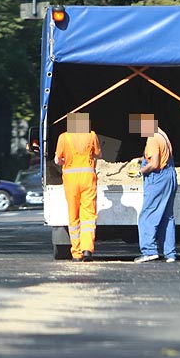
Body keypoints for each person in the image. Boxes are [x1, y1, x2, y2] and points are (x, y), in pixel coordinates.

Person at [130, 113, 177, 263]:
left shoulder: (152, 138)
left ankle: (149, 251)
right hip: (170, 176)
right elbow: (160, 156)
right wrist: (140, 159)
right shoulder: (162, 135)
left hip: (158, 179)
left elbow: (155, 163)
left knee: (147, 215)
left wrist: (140, 171)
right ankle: (170, 254)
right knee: (167, 217)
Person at [54, 112, 102, 262]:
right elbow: (98, 154)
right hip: (88, 179)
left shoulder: (64, 137)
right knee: (88, 215)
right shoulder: (92, 135)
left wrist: (65, 161)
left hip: (71, 180)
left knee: (73, 216)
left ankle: (76, 253)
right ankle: (87, 249)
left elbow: (57, 160)